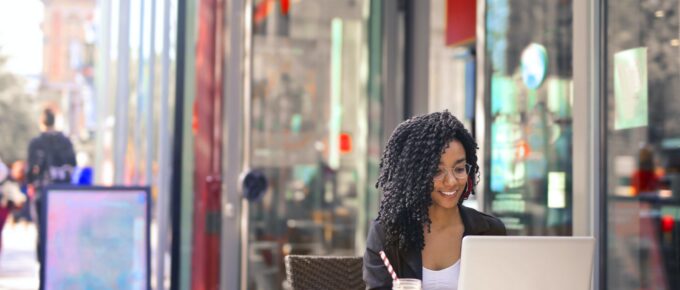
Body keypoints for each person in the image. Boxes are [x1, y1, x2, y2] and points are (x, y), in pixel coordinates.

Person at [363, 111, 506, 290]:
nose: (452, 181)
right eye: (437, 171)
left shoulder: (490, 232)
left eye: (459, 169)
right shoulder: (386, 235)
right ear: (415, 175)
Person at [26, 108, 76, 266]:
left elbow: (31, 170)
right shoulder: (65, 141)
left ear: (42, 122)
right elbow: (73, 165)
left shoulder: (36, 142)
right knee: (61, 232)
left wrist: (31, 182)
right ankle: (59, 268)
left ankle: (44, 272)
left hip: (42, 193)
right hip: (62, 193)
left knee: (43, 232)